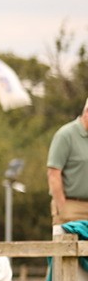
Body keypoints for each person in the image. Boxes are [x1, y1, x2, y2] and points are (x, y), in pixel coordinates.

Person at [47, 98, 88, 228]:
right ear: (86, 112)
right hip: (72, 206)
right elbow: (53, 174)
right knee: (68, 247)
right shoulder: (65, 135)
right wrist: (62, 207)